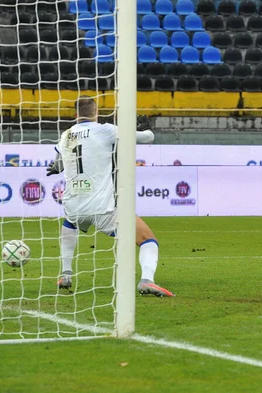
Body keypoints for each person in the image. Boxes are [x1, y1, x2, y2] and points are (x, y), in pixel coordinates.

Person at [46, 96, 174, 297]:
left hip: (73, 204)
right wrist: (145, 127)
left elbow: (58, 163)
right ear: (96, 113)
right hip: (102, 207)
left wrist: (55, 168)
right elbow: (148, 138)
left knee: (70, 222)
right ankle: (147, 280)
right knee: (148, 240)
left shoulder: (66, 135)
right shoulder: (105, 130)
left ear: (75, 115)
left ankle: (65, 274)